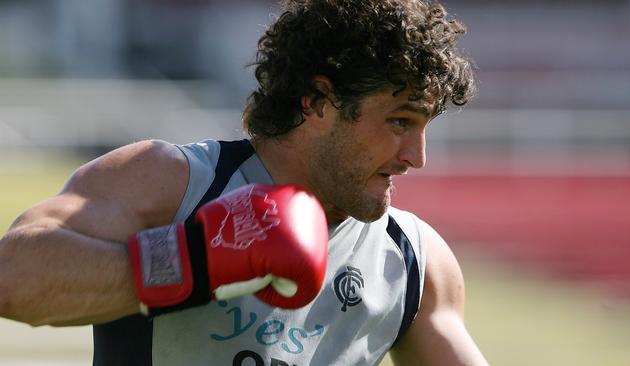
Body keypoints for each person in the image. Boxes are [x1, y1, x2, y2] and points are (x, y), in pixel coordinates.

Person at [0, 0, 488, 365]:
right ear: (318, 102)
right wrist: (196, 261)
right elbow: (13, 278)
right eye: (400, 122)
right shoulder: (175, 182)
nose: (416, 158)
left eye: (425, 128)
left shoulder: (415, 263)